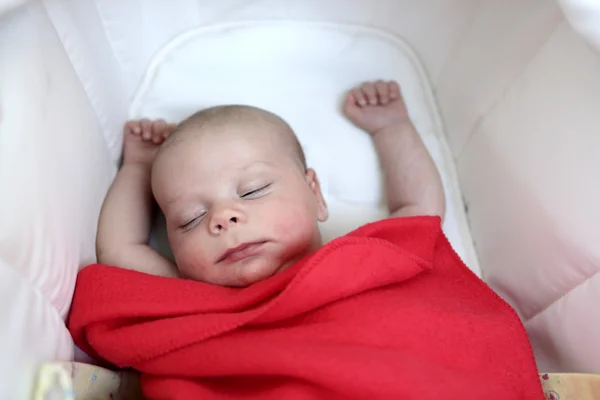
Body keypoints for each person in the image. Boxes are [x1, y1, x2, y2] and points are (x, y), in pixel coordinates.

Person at [95, 80, 445, 286]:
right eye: (190, 218)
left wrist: (392, 128)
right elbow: (119, 249)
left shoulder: (361, 259)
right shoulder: (191, 293)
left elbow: (420, 211)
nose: (223, 217)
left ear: (315, 195)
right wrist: (138, 168)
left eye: (252, 191)